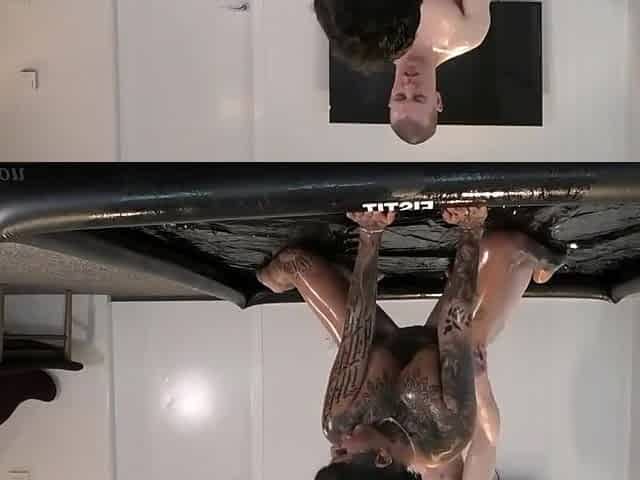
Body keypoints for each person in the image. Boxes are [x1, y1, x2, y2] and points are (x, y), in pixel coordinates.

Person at [257, 206, 564, 480]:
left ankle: (274, 278)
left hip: (380, 340)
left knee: (294, 261)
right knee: (504, 245)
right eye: (343, 455)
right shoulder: (445, 433)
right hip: (446, 342)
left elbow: (356, 332)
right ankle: (540, 267)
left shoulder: (339, 424)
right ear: (382, 457)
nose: (334, 447)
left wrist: (371, 233)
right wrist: (470, 229)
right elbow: (455, 329)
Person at [314, 0, 491, 145]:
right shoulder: (468, 35)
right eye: (418, 97)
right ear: (437, 100)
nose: (409, 85)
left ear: (390, 97)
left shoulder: (373, 36)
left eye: (400, 96)